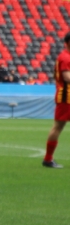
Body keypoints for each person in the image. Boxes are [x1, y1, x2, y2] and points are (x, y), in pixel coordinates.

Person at [42, 32, 70, 168]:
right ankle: (47, 159)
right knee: (58, 126)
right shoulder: (65, 57)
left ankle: (48, 159)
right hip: (66, 95)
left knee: (58, 126)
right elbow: (67, 77)